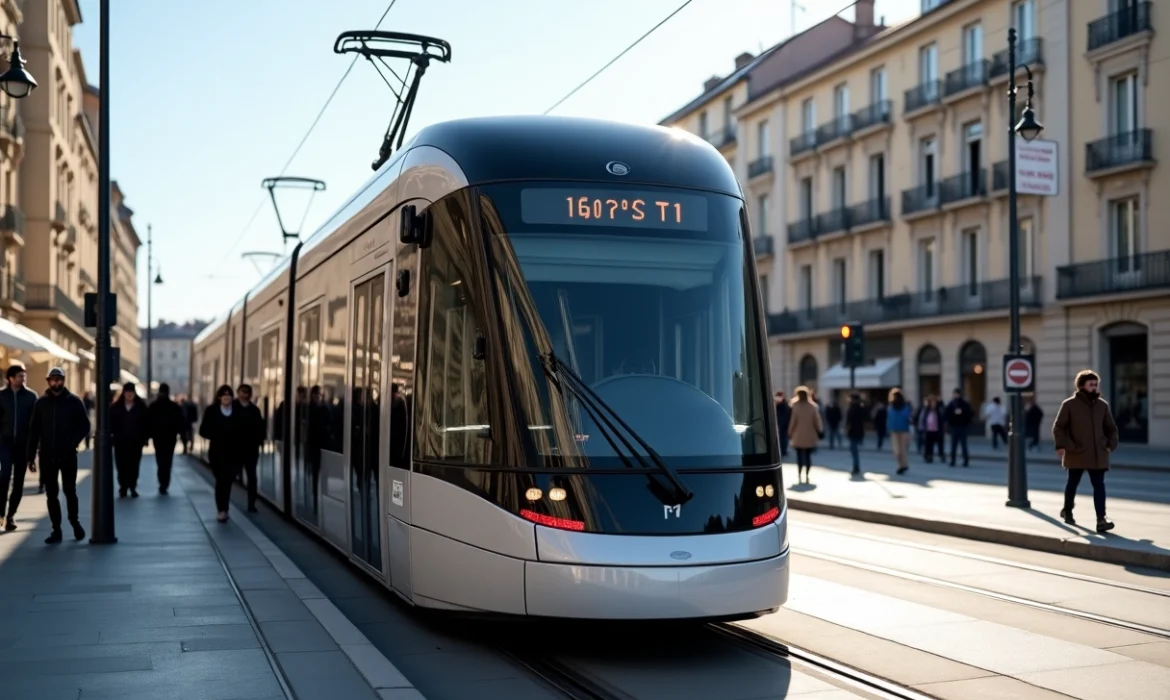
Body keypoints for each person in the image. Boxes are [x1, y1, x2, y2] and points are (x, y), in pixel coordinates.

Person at [27, 367, 90, 543]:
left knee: (70, 491)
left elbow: (85, 425)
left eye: (59, 379)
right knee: (51, 494)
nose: (56, 383)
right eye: (53, 380)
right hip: (47, 455)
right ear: (48, 381)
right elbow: (34, 431)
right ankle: (56, 530)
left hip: (68, 454)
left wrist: (73, 442)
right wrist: (30, 456)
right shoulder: (41, 404)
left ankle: (75, 523)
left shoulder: (74, 401)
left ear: (63, 380)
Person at [1052, 369, 1117, 533]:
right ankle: (1068, 510)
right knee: (1072, 483)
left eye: (1096, 384)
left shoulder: (1102, 405)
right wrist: (1067, 446)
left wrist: (1109, 445)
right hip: (1077, 453)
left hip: (1098, 454)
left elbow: (1111, 429)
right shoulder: (1069, 404)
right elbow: (1059, 428)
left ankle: (1101, 519)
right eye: (1091, 384)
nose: (1094, 387)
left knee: (1099, 486)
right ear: (1081, 386)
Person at [0, 366, 39, 531]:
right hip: (4, 442)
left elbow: (35, 425)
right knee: (4, 475)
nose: (23, 379)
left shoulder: (31, 397)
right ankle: (1, 513)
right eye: (19, 376)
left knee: (18, 483)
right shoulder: (1, 396)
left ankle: (10, 516)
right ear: (10, 378)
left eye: (24, 376)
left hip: (23, 445)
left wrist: (33, 451)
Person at [200, 385, 243, 522]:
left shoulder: (237, 411)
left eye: (229, 395)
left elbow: (244, 429)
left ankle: (224, 508)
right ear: (219, 397)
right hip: (217, 453)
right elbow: (203, 431)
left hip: (234, 453)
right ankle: (222, 509)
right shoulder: (211, 411)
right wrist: (216, 434)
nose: (226, 398)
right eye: (224, 395)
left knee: (228, 481)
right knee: (220, 481)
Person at [110, 382, 150, 498]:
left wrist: (145, 439)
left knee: (134, 466)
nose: (129, 395)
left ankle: (132, 487)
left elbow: (146, 424)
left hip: (136, 443)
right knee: (121, 465)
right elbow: (110, 423)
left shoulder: (141, 407)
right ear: (123, 393)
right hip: (120, 442)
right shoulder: (115, 407)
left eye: (131, 393)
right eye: (127, 393)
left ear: (134, 393)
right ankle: (123, 487)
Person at [149, 383, 187, 495]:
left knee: (160, 460)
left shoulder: (154, 406)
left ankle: (162, 482)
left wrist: (148, 436)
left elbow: (148, 423)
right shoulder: (174, 407)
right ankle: (164, 482)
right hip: (170, 438)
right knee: (167, 461)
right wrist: (182, 436)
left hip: (159, 438)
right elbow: (180, 423)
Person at [234, 383, 266, 512]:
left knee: (252, 477)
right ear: (238, 392)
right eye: (242, 391)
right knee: (230, 475)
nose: (245, 394)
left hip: (251, 449)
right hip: (235, 448)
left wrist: (259, 442)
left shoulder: (254, 410)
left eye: (247, 392)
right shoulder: (232, 407)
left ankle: (251, 504)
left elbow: (260, 428)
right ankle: (224, 504)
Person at [787, 386, 822, 485]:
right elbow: (817, 421)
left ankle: (799, 474)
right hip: (810, 434)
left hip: (798, 435)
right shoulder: (813, 406)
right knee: (808, 455)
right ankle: (806, 474)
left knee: (799, 456)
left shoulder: (795, 406)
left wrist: (790, 432)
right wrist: (819, 431)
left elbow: (793, 421)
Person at [943, 388, 974, 467]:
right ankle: (953, 460)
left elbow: (970, 414)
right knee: (954, 445)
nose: (955, 395)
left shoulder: (964, 403)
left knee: (963, 445)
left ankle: (965, 460)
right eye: (954, 394)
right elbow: (946, 413)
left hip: (962, 426)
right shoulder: (952, 403)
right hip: (954, 426)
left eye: (956, 394)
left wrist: (965, 421)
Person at [886, 388, 913, 475]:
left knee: (902, 449)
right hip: (895, 430)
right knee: (897, 450)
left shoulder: (905, 406)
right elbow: (889, 419)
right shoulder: (891, 407)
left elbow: (908, 417)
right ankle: (901, 465)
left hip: (903, 430)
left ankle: (903, 465)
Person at [844, 392, 867, 476]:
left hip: (853, 431)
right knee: (855, 450)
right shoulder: (861, 408)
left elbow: (849, 421)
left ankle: (856, 467)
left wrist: (847, 429)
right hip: (859, 431)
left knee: (854, 451)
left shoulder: (851, 408)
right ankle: (856, 466)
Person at [918, 396, 945, 464]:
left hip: (937, 430)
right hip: (928, 430)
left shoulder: (938, 411)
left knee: (939, 444)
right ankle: (928, 456)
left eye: (934, 403)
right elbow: (923, 420)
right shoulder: (926, 411)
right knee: (928, 445)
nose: (933, 404)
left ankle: (941, 455)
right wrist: (923, 428)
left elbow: (941, 420)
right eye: (932, 403)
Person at [774, 391, 790, 461]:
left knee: (784, 439)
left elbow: (787, 415)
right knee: (780, 439)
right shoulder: (776, 405)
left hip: (784, 425)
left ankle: (783, 451)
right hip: (779, 424)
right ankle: (781, 451)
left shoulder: (785, 405)